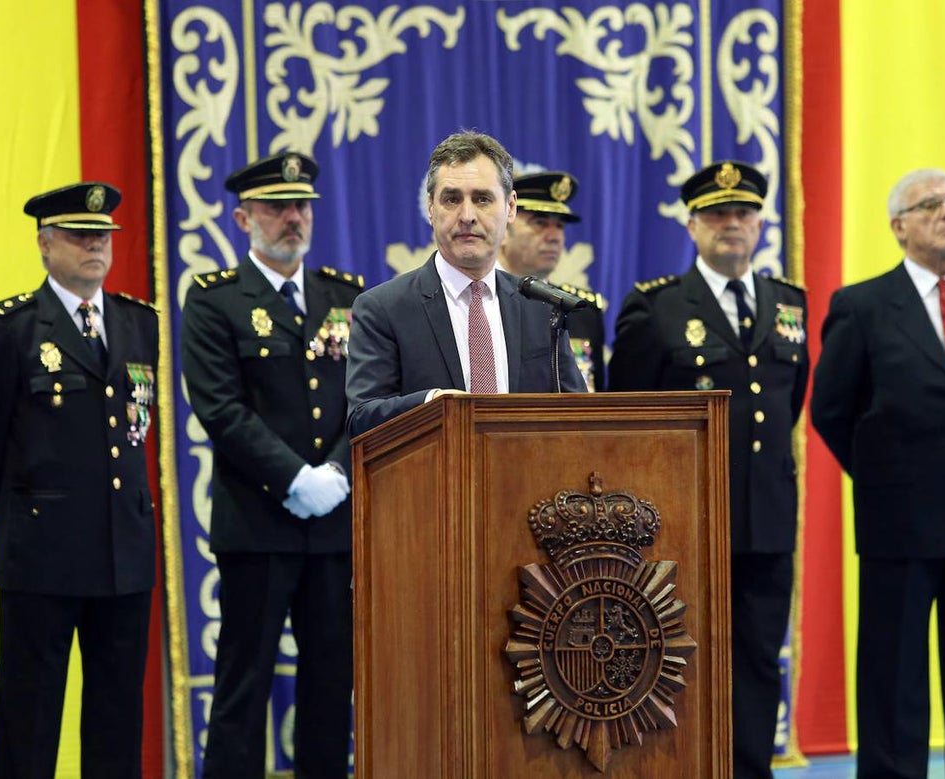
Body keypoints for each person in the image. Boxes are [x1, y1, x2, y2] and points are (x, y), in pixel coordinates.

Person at [810, 168, 945, 778]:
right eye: (929, 204)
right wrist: (885, 475)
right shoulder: (862, 305)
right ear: (898, 226)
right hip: (899, 520)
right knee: (894, 680)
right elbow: (831, 409)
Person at [607, 161, 808, 779]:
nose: (731, 224)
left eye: (743, 213)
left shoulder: (789, 303)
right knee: (677, 661)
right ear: (692, 225)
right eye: (717, 214)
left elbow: (791, 401)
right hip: (684, 523)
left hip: (766, 521)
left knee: (758, 659)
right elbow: (627, 420)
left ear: (760, 225)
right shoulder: (658, 307)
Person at [0, 182, 159, 778]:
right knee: (30, 721)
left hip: (124, 552)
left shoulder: (138, 322)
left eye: (103, 235)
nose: (95, 245)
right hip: (43, 555)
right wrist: (25, 511)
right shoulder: (11, 328)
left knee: (117, 724)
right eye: (78, 235)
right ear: (45, 244)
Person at [181, 151, 362, 779]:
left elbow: (366, 397)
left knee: (330, 688)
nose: (293, 218)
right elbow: (220, 409)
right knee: (243, 687)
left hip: (334, 526)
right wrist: (294, 479)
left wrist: (336, 474)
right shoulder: (216, 301)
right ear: (243, 219)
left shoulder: (345, 296)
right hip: (258, 523)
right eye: (277, 207)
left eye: (302, 206)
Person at [345, 130, 587, 437]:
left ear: (510, 207)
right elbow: (362, 419)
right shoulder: (383, 309)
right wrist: (434, 405)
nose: (467, 215)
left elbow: (578, 416)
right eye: (452, 199)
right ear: (430, 208)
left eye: (482, 199)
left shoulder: (541, 307)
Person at [499, 170, 607, 390]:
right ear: (503, 229)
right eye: (540, 223)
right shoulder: (479, 300)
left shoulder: (579, 310)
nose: (554, 236)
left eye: (560, 226)